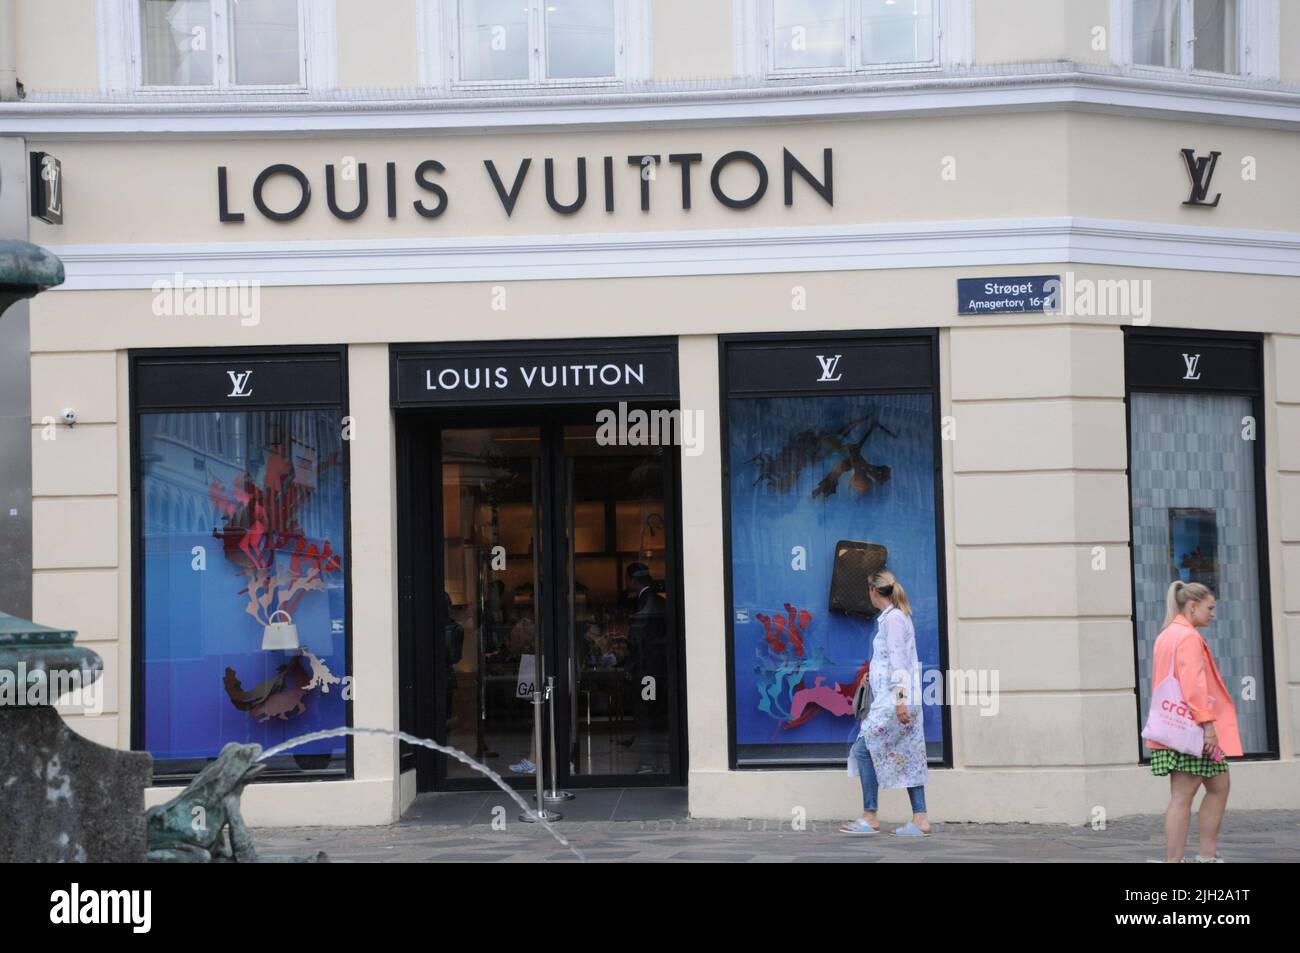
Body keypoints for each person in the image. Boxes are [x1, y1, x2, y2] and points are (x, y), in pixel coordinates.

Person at [1148, 580, 1241, 863]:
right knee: (1182, 796)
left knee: (1218, 785)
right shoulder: (1187, 637)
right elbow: (1193, 686)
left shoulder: (1167, 634)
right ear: (1192, 606)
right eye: (1209, 608)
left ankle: (1207, 856)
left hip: (1175, 728)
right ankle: (1179, 861)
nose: (1213, 613)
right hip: (1192, 731)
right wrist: (1208, 726)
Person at [840, 570, 931, 837]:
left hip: (894, 701)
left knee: (863, 750)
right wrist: (875, 674)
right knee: (910, 754)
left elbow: (899, 661)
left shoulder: (892, 620)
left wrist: (900, 701)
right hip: (900, 697)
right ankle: (920, 819)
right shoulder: (898, 617)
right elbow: (891, 659)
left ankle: (870, 817)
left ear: (873, 591)